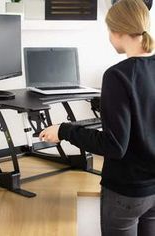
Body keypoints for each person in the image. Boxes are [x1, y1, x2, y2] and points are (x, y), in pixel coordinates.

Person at [39, 0, 155, 235]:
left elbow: (114, 146)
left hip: (126, 193)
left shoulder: (117, 76)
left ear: (118, 32)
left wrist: (64, 130)